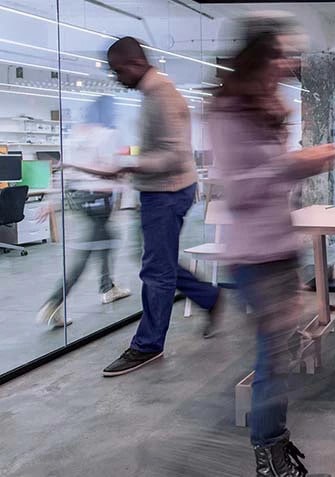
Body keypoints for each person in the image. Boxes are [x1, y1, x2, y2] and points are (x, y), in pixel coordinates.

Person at [209, 13, 335, 477]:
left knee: (279, 355)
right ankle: (269, 454)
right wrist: (296, 165)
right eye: (281, 55)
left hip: (279, 250)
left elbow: (269, 184)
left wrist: (292, 162)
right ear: (259, 58)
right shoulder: (225, 114)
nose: (288, 64)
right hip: (256, 257)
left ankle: (275, 446)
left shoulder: (265, 109)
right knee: (273, 359)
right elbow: (240, 191)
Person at [101, 37, 223, 377]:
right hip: (161, 191)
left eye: (118, 70)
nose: (116, 77)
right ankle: (209, 297)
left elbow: (172, 155)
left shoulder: (162, 97)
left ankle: (148, 344)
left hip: (166, 192)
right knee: (159, 263)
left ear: (135, 64)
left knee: (156, 271)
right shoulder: (153, 94)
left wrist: (130, 165)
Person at [36, 96, 131, 329]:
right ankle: (53, 303)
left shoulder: (76, 135)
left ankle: (108, 287)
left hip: (79, 198)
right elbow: (113, 170)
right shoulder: (108, 135)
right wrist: (122, 191)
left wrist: (52, 201)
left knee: (107, 239)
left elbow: (63, 171)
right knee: (87, 253)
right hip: (99, 199)